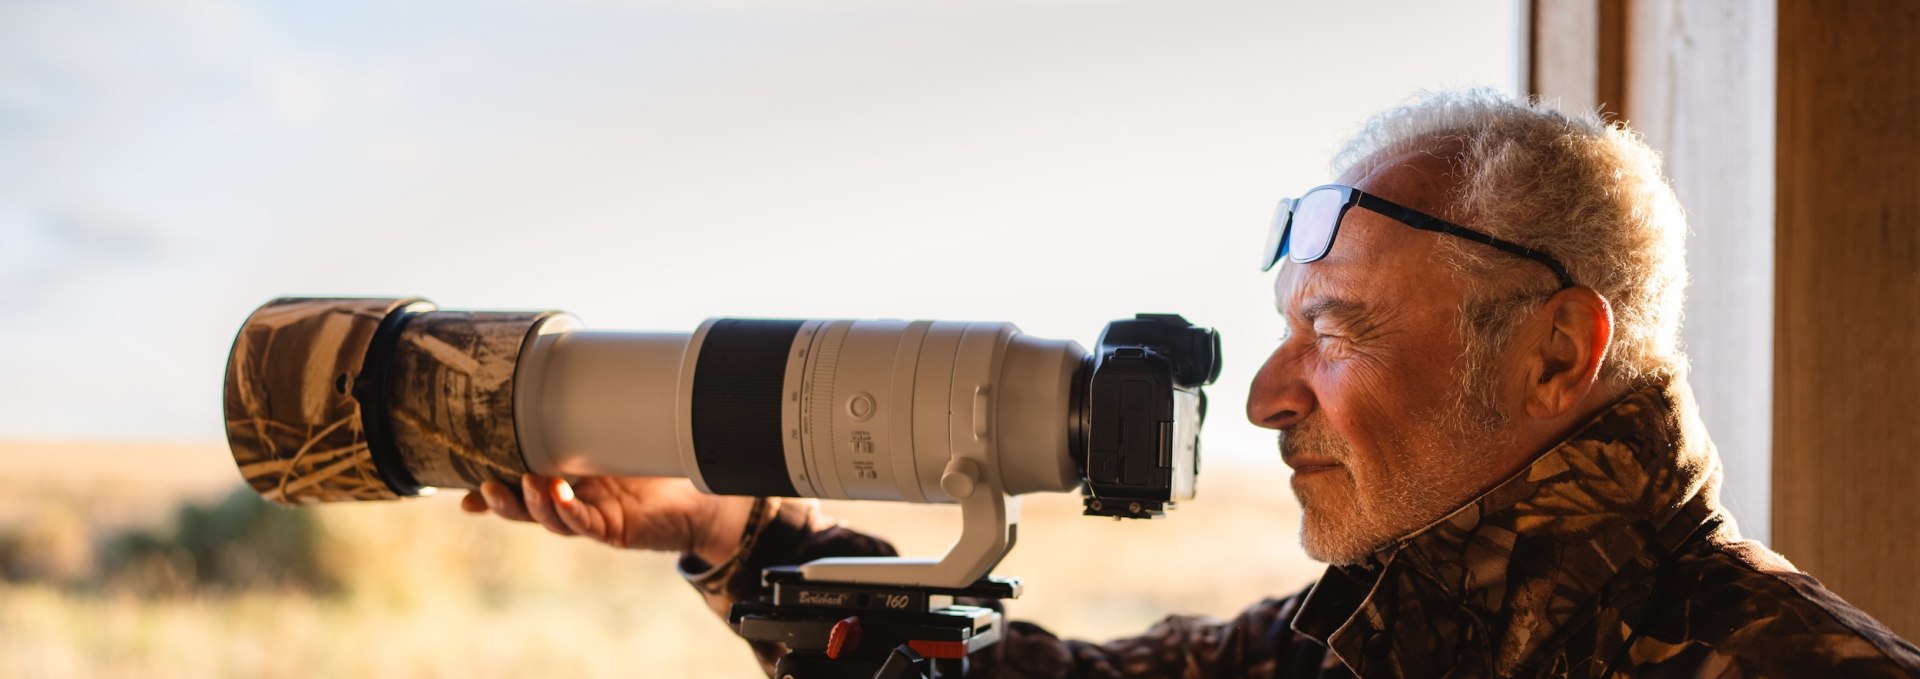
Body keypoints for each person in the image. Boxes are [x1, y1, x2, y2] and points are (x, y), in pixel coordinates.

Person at [462, 89, 1920, 677]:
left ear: (1556, 352)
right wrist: (731, 524)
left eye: (1338, 330)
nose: (1272, 394)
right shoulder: (1356, 643)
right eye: (1285, 332)